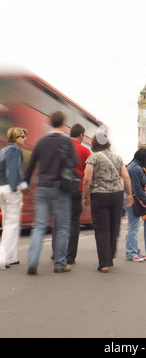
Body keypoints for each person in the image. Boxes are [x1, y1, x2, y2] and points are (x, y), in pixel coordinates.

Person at [25, 111, 78, 275]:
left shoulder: (41, 142)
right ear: (63, 124)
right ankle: (60, 264)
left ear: (50, 123)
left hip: (42, 188)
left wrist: (26, 183)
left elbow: (31, 164)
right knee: (62, 227)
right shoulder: (66, 141)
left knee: (39, 226)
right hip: (60, 189)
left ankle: (33, 260)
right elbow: (75, 162)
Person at [82, 128, 133, 273]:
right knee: (113, 226)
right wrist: (129, 194)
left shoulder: (93, 158)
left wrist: (85, 196)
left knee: (102, 229)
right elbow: (126, 177)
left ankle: (104, 263)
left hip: (99, 195)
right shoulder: (118, 158)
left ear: (94, 144)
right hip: (116, 196)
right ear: (107, 143)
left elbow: (87, 179)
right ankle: (110, 255)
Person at [0, 127, 28, 269]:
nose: (25, 139)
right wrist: (16, 188)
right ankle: (3, 259)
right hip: (10, 189)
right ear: (15, 138)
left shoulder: (3, 150)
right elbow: (13, 170)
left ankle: (11, 257)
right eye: (22, 136)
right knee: (12, 224)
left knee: (7, 223)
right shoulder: (14, 150)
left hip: (1, 189)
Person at [67, 124, 91, 264]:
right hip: (77, 190)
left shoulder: (62, 147)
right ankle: (70, 256)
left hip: (61, 189)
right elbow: (88, 175)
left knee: (60, 221)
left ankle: (56, 252)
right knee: (74, 222)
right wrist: (85, 196)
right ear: (81, 135)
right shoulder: (85, 151)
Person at [126, 148, 146, 262]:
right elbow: (137, 188)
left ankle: (135, 250)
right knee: (133, 227)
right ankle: (131, 252)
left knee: (134, 226)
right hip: (133, 198)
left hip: (129, 197)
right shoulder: (136, 169)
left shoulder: (131, 166)